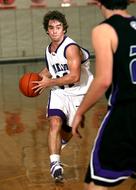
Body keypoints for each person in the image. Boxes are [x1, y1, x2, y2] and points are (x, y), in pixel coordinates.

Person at [72, 0, 136, 190]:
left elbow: (103, 80)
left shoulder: (104, 30)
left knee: (95, 184)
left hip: (126, 114)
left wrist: (80, 111)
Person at [32, 10, 93, 182]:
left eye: (58, 27)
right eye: (51, 28)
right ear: (47, 31)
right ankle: (55, 164)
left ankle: (62, 141)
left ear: (64, 29)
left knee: (67, 132)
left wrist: (47, 83)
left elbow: (75, 76)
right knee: (54, 122)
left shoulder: (71, 48)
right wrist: (36, 81)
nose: (55, 31)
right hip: (60, 91)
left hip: (79, 92)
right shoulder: (48, 49)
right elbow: (51, 70)